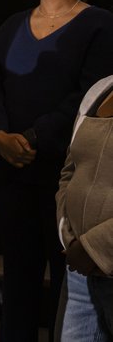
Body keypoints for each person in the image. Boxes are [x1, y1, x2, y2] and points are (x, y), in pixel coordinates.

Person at [0, 0, 113, 341]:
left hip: (65, 174)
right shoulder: (12, 25)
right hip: (11, 170)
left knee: (69, 283)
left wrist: (33, 138)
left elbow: (90, 98)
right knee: (18, 277)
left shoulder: (99, 26)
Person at [57, 74, 113, 340]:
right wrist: (67, 233)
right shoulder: (101, 89)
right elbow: (71, 169)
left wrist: (94, 248)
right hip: (81, 270)